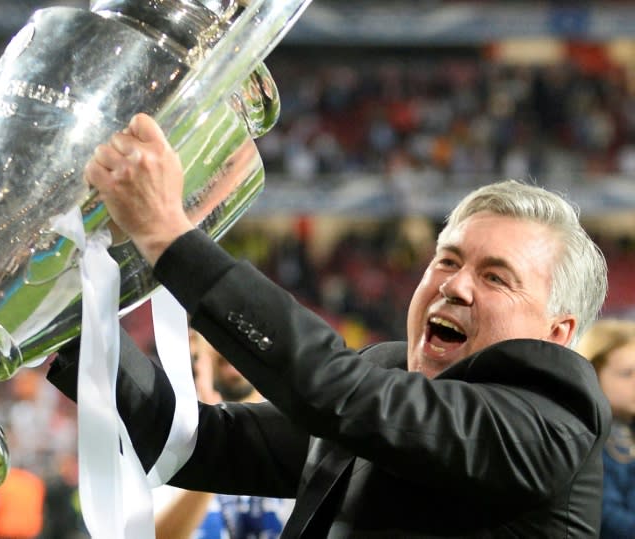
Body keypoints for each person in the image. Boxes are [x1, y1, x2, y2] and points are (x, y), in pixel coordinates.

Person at [46, 113, 611, 537]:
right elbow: (197, 443)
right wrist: (70, 316)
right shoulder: (383, 373)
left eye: (496, 277)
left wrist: (170, 238)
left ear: (556, 334)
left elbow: (338, 391)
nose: (455, 285)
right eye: (448, 259)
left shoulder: (556, 418)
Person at [153, 332, 293, 538]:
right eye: (216, 324)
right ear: (192, 341)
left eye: (248, 328)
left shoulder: (297, 428)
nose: (235, 339)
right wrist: (214, 441)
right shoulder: (163, 428)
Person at [576, 319, 635, 539]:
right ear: (594, 374)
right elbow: (603, 514)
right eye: (627, 374)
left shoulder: (627, 428)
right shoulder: (590, 438)